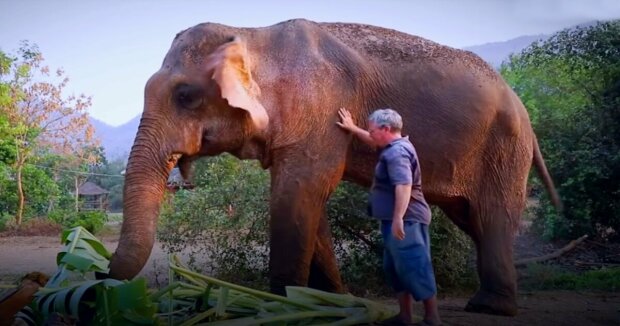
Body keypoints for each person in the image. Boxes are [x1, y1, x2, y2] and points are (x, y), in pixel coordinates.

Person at [336, 107, 441, 326]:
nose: (370, 133)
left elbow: (404, 185)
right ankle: (405, 316)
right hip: (397, 219)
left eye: (372, 130)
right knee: (395, 268)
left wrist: (398, 218)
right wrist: (353, 128)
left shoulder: (397, 153)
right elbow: (373, 141)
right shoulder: (392, 146)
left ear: (386, 129)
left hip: (408, 219)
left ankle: (433, 319)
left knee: (415, 265)